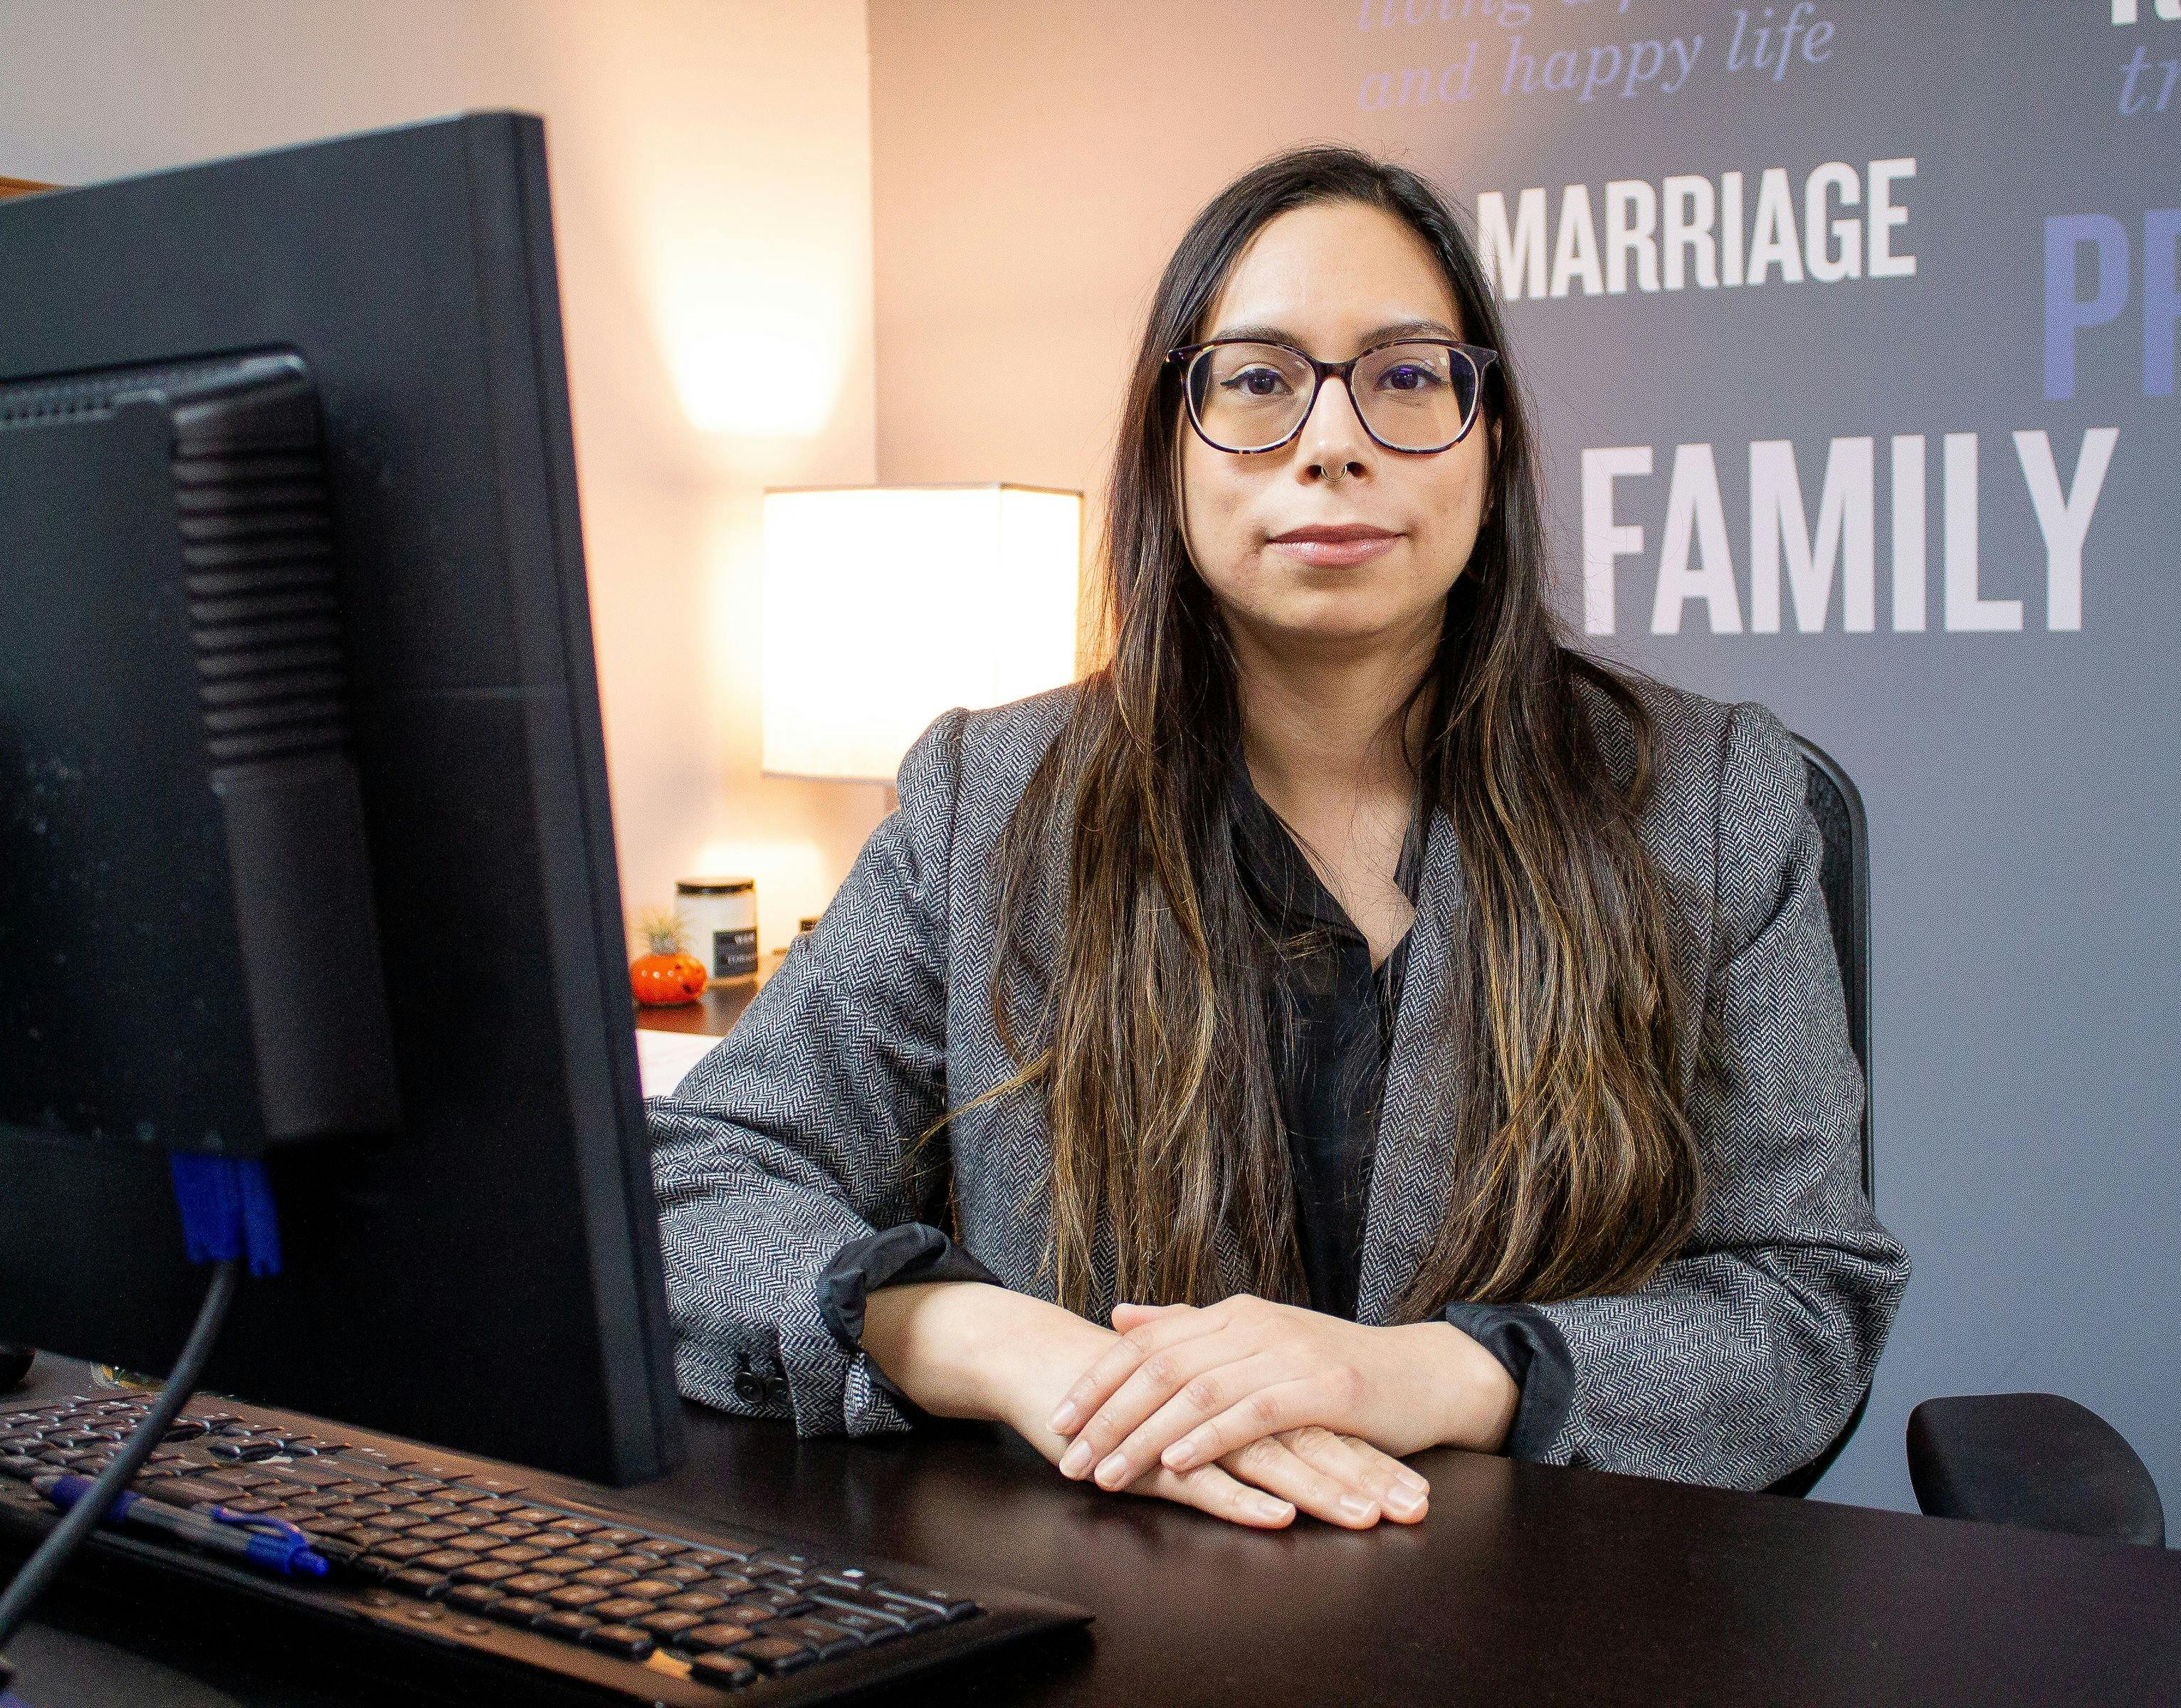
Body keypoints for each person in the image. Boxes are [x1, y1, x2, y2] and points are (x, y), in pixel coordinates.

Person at [650, 144, 1908, 1534]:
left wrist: (1424, 1377)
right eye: (1254, 381)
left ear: (1492, 445)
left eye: (1407, 376)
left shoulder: (1708, 797)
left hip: (1547, 1612)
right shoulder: (993, 800)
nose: (1332, 438)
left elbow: (1800, 1298)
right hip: (1114, 1599)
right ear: (1166, 448)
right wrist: (1008, 1349)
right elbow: (692, 1187)